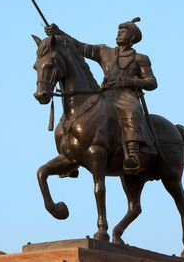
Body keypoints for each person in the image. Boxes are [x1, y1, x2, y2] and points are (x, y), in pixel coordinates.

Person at [45, 17, 157, 170]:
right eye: (118, 31)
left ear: (132, 36)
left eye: (123, 31)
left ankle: (133, 154)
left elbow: (151, 82)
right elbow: (79, 47)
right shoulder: (105, 52)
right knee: (75, 113)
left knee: (131, 110)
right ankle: (71, 153)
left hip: (126, 95)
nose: (119, 34)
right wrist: (59, 33)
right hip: (105, 94)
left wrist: (134, 82)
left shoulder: (140, 58)